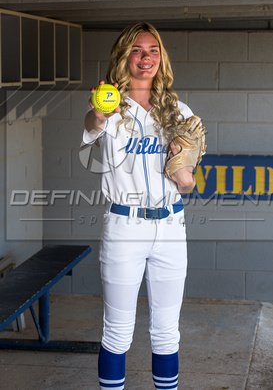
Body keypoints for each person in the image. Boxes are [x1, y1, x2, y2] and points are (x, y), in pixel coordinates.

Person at [83, 23, 197, 389]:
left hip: (170, 226)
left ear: (161, 58)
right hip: (125, 225)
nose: (145, 57)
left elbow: (189, 181)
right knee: (118, 333)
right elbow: (91, 127)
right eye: (136, 50)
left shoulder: (179, 110)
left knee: (167, 332)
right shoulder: (112, 104)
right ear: (124, 57)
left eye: (152, 50)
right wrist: (99, 114)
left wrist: (184, 176)